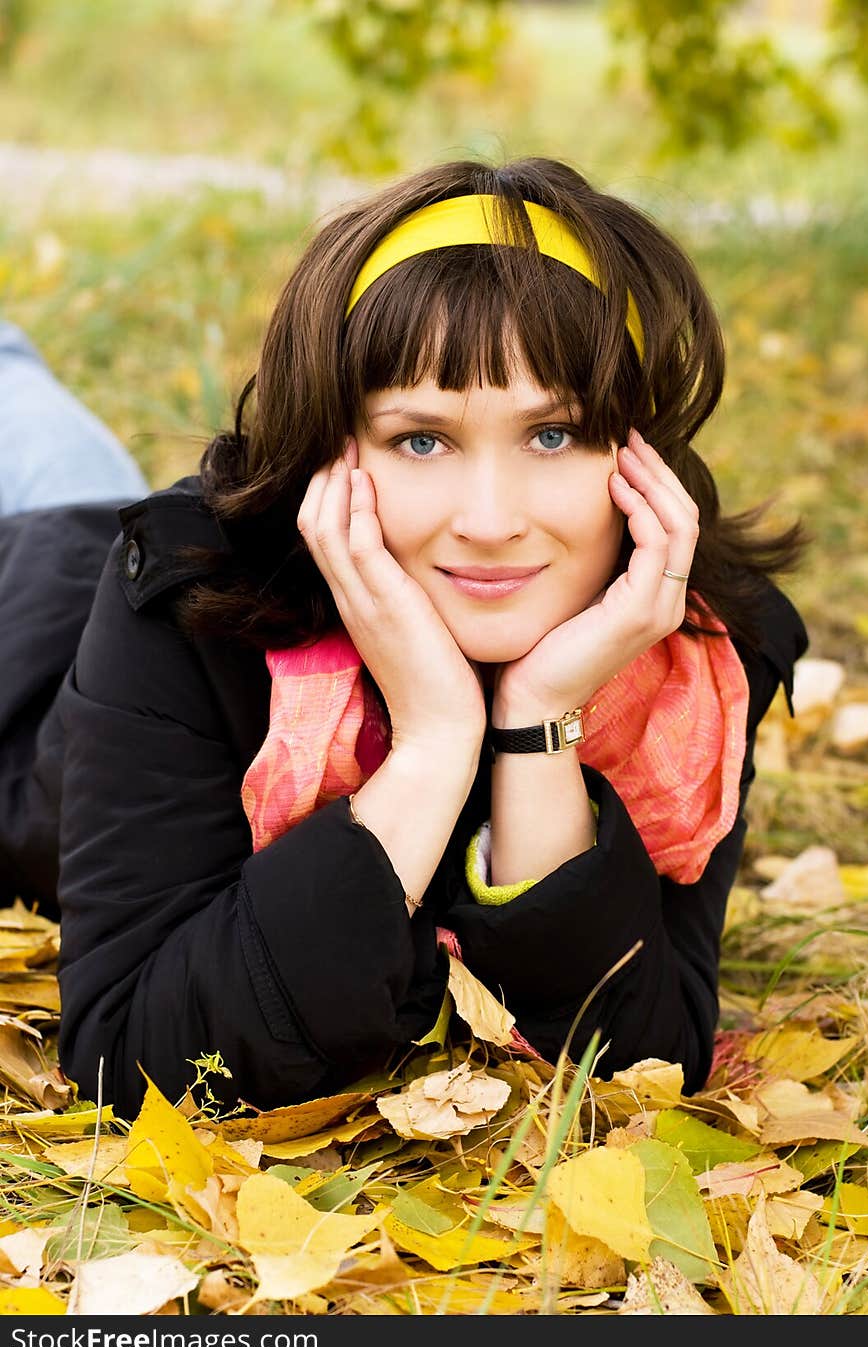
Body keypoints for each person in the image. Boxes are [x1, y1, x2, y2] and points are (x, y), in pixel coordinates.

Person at [0, 157, 810, 1122]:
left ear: (638, 455)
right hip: (33, 596)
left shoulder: (692, 661)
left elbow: (642, 1062)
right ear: (335, 449)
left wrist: (535, 724)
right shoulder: (189, 610)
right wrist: (432, 742)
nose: (491, 518)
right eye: (421, 439)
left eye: (553, 434)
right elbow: (136, 1060)